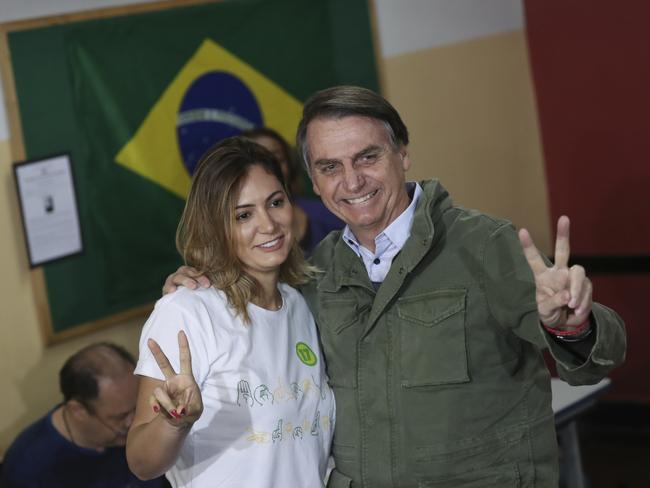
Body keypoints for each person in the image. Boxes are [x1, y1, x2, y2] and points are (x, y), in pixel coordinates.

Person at [163, 86, 626, 487]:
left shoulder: (483, 244)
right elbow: (258, 311)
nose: (352, 180)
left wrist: (573, 326)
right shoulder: (314, 274)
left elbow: (596, 361)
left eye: (368, 156)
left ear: (402, 154)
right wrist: (197, 286)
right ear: (315, 183)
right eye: (330, 167)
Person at [126, 138, 335, 487]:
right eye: (243, 215)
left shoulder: (297, 305)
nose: (268, 224)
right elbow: (142, 463)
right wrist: (173, 422)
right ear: (215, 226)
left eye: (276, 202)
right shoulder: (186, 311)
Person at [1, 343, 167, 488]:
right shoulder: (27, 467)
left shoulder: (145, 427)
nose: (133, 422)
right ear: (78, 411)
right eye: (121, 417)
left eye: (137, 407)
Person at [241, 127, 344, 256]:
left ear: (290, 164)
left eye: (277, 159)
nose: (269, 227)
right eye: (243, 215)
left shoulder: (329, 216)